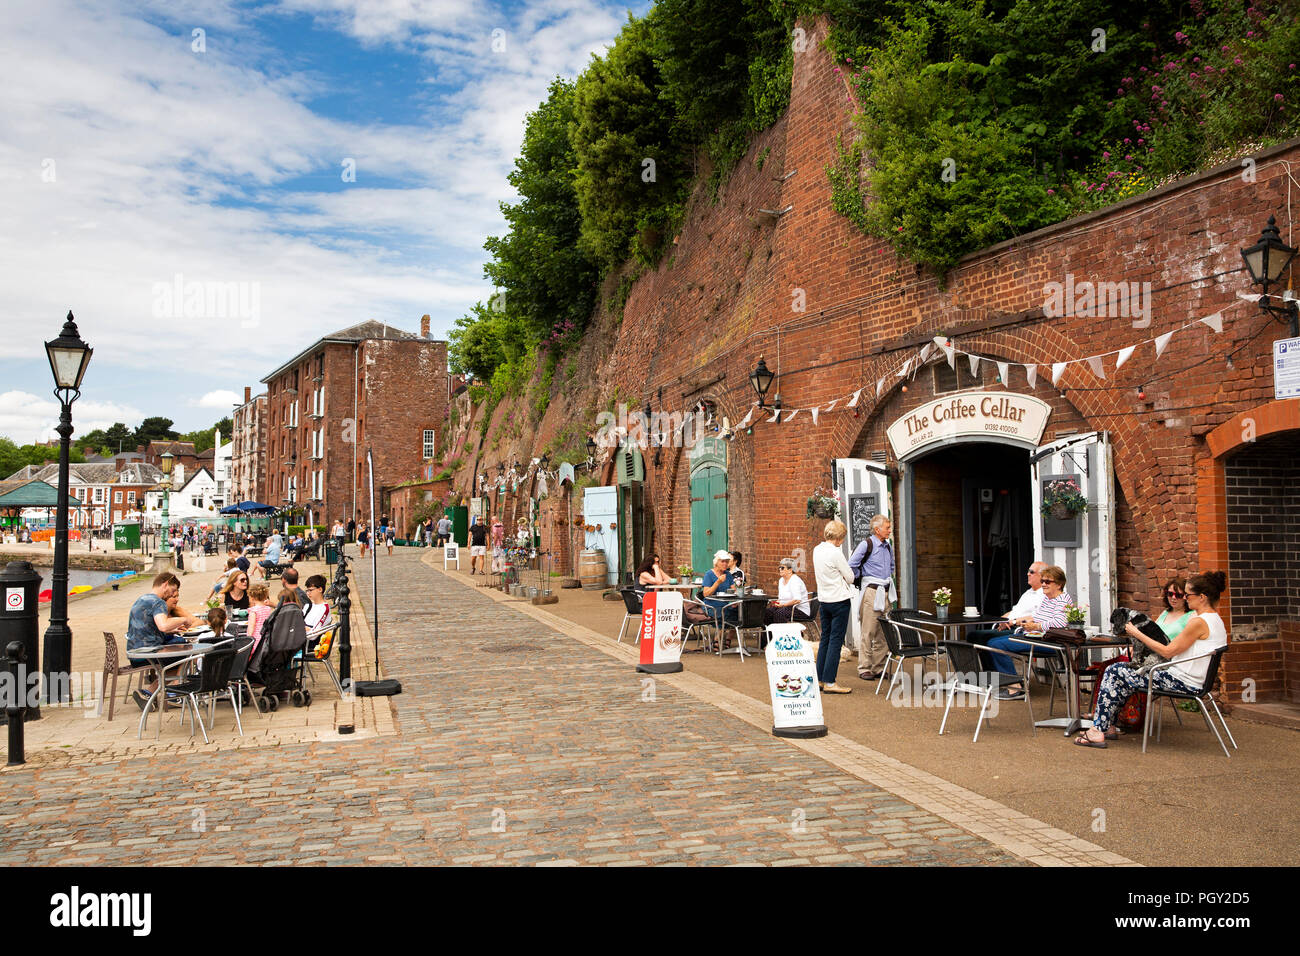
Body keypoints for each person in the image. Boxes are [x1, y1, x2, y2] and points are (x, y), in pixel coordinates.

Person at [1075, 570, 1229, 749]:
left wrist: (1137, 633)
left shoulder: (1198, 622)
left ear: (1202, 597)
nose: (1185, 598)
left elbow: (1167, 651)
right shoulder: (1215, 620)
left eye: (1187, 595)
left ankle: (1097, 731)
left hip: (1181, 681)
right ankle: (1107, 726)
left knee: (1114, 670)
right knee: (1121, 674)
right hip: (1192, 679)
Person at [984, 564, 1072, 699]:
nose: (1043, 584)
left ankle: (1015, 688)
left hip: (1049, 642)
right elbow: (1035, 617)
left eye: (1047, 582)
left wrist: (1036, 626)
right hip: (1035, 637)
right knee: (992, 642)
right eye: (1042, 581)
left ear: (1059, 585)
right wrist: (1016, 621)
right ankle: (1005, 683)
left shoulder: (1062, 599)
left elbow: (1060, 623)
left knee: (996, 645)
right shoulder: (1048, 599)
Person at [125, 572, 192, 701]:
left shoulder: (142, 599)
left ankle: (150, 693)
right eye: (173, 590)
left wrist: (171, 631)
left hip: (134, 653)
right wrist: (183, 619)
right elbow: (163, 625)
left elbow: (149, 628)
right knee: (186, 651)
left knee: (177, 644)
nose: (172, 594)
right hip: (147, 654)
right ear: (165, 584)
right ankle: (174, 692)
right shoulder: (158, 602)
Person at [848, 514, 897, 681]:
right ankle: (864, 667)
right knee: (868, 631)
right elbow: (851, 565)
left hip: (885, 591)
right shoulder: (866, 544)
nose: (889, 530)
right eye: (887, 528)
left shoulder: (887, 546)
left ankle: (879, 667)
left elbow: (891, 566)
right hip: (872, 591)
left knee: (884, 632)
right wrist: (862, 579)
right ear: (877, 530)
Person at [813, 521, 855, 694]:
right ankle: (830, 681)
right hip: (839, 600)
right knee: (836, 641)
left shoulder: (817, 550)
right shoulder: (835, 553)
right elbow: (850, 577)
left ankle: (820, 679)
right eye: (842, 538)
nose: (842, 542)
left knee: (825, 639)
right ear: (838, 538)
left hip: (824, 600)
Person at [968, 562, 1048, 646]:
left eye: (1031, 572)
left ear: (1042, 575)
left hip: (1020, 630)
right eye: (1028, 571)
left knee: (982, 638)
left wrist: (1012, 622)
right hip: (1009, 626)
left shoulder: (1044, 595)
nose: (1028, 574)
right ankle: (987, 659)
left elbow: (1036, 617)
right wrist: (1002, 619)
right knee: (973, 635)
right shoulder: (1028, 592)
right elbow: (1014, 611)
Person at [764, 558, 812, 627]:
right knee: (767, 613)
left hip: (799, 609)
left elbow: (797, 600)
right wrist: (777, 603)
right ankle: (769, 636)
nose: (780, 569)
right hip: (786, 607)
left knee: (779, 613)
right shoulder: (781, 580)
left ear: (790, 570)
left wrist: (783, 605)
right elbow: (781, 598)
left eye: (782, 568)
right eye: (779, 567)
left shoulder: (795, 580)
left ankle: (782, 636)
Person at [245, 583, 275, 655]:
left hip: (256, 639)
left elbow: (251, 627)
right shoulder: (268, 609)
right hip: (266, 637)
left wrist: (248, 638)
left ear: (252, 598)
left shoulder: (253, 611)